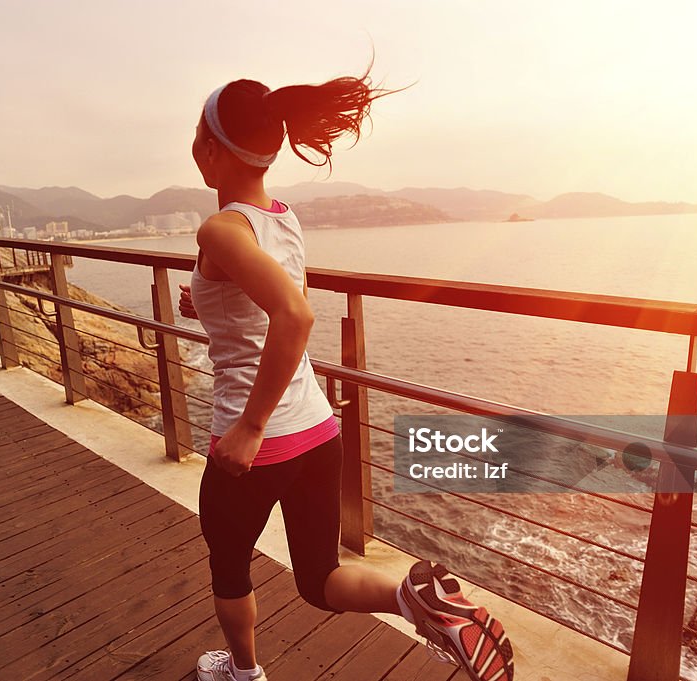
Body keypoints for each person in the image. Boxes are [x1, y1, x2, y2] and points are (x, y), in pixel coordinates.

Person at [177, 65, 515, 681]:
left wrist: (250, 427)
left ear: (208, 147)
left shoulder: (218, 227)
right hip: (317, 430)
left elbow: (294, 314)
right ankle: (412, 600)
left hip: (256, 444)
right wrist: (202, 301)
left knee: (228, 562)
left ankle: (243, 673)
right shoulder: (282, 217)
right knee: (318, 576)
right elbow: (266, 300)